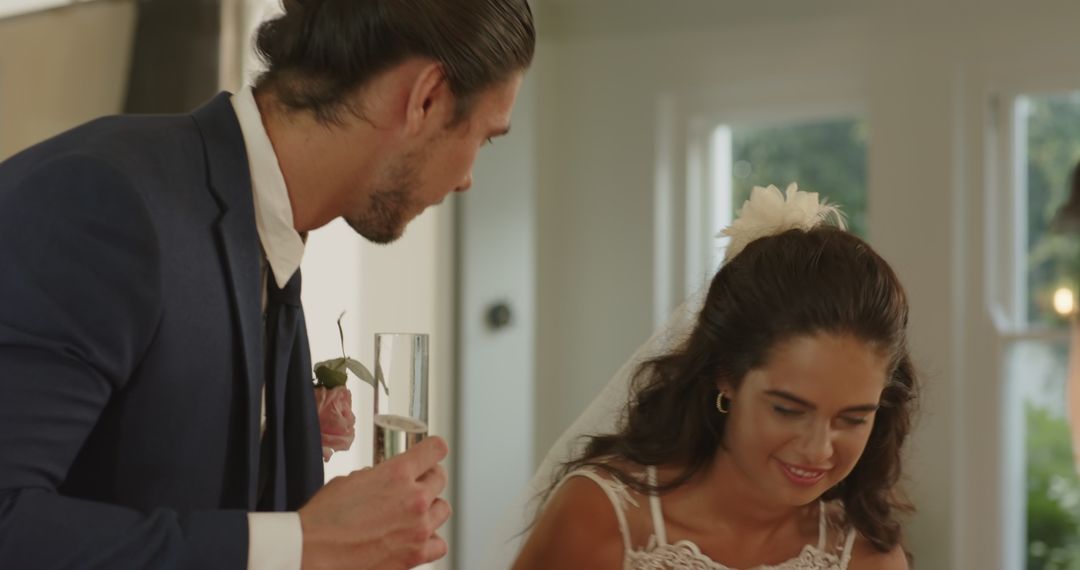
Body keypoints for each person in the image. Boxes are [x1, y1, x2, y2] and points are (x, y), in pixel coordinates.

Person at [0, 0, 534, 568]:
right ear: (425, 96)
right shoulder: (104, 197)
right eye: (484, 137)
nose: (469, 179)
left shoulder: (266, 234)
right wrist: (304, 544)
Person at [511, 185, 917, 569]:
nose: (818, 450)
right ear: (727, 375)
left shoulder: (869, 558)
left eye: (853, 418)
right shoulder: (601, 514)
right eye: (788, 410)